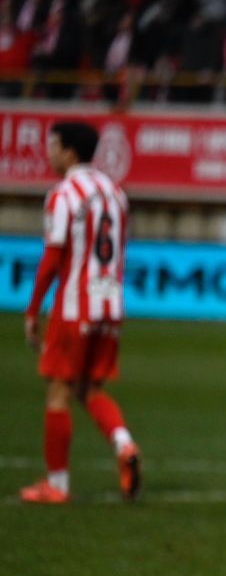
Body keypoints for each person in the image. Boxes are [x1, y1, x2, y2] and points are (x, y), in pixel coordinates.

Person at [20, 120, 141, 504]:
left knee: (58, 390)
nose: (49, 153)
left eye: (53, 146)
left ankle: (57, 484)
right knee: (89, 388)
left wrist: (33, 309)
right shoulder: (116, 194)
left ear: (70, 152)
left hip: (75, 306)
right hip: (110, 302)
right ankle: (125, 446)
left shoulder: (63, 195)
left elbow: (53, 258)